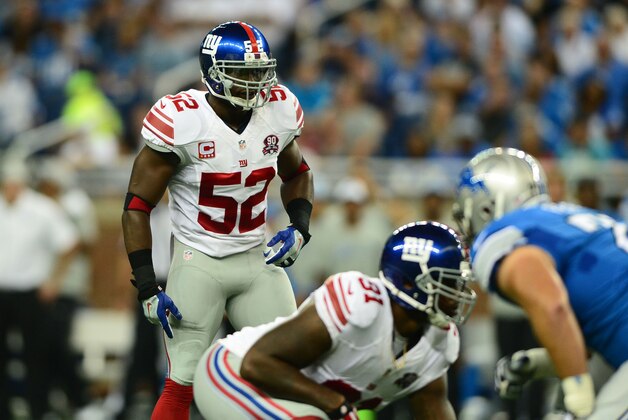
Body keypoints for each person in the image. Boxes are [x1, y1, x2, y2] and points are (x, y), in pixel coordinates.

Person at [121, 21, 313, 420]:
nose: (258, 83)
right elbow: (137, 207)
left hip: (258, 259)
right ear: (214, 73)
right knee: (183, 378)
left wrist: (299, 228)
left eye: (261, 71)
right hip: (200, 261)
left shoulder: (277, 111)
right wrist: (146, 287)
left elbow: (297, 173)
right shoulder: (184, 121)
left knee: (292, 371)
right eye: (245, 73)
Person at [193, 221, 477, 419]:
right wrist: (336, 404)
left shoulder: (438, 342)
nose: (458, 294)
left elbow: (434, 408)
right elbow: (257, 365)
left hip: (294, 405)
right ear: (410, 282)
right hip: (234, 373)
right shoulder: (359, 305)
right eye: (449, 284)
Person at [453, 147, 628, 419]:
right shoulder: (571, 217)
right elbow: (599, 330)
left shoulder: (503, 235)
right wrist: (537, 363)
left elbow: (553, 306)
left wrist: (577, 392)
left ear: (487, 207)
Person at [0, 159, 79, 419]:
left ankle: (38, 410)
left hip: (31, 292)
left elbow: (69, 243)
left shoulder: (42, 209)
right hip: (3, 291)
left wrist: (54, 281)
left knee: (36, 355)